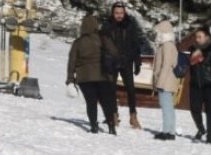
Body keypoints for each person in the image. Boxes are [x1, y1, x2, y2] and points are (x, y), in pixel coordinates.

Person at [68, 15, 119, 135]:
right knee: (106, 102)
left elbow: (72, 61)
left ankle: (94, 126)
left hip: (84, 76)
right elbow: (115, 53)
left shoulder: (78, 42)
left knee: (91, 102)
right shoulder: (102, 38)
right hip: (102, 75)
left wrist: (70, 79)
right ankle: (111, 126)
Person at [102, 2, 147, 130]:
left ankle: (133, 116)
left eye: (121, 13)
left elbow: (135, 44)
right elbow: (102, 45)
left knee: (131, 89)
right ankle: (114, 114)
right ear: (113, 13)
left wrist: (137, 62)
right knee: (111, 89)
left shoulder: (130, 25)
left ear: (124, 13)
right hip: (112, 62)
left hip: (126, 62)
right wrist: (103, 61)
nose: (119, 15)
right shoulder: (107, 25)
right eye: (117, 13)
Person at [185, 26, 211, 143]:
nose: (197, 39)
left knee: (210, 112)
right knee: (194, 109)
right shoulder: (193, 51)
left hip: (210, 86)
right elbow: (191, 67)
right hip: (196, 86)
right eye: (196, 37)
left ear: (207, 37)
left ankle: (209, 137)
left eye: (200, 37)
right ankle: (201, 129)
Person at [150, 20, 181, 141]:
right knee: (168, 106)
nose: (157, 34)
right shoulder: (167, 44)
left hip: (165, 81)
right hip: (168, 80)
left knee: (166, 107)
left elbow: (167, 64)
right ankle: (170, 131)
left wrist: (160, 82)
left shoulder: (167, 45)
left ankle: (167, 131)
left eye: (158, 32)